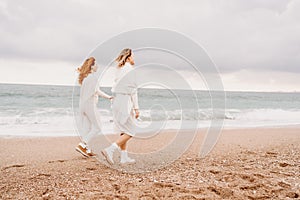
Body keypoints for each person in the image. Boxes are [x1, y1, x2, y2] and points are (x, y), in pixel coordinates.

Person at [101, 48, 139, 164]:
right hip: (124, 101)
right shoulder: (130, 69)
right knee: (131, 131)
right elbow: (133, 90)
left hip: (117, 100)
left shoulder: (119, 69)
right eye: (133, 56)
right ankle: (110, 149)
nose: (134, 58)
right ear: (128, 57)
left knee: (124, 130)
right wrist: (136, 108)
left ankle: (124, 157)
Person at [76, 57, 113, 157]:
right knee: (98, 127)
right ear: (92, 66)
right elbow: (97, 91)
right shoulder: (93, 78)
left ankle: (87, 150)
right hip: (89, 105)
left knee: (87, 128)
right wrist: (109, 97)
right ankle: (82, 144)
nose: (98, 66)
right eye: (96, 64)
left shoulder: (85, 78)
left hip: (82, 106)